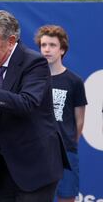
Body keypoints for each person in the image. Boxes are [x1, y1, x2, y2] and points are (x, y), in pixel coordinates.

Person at [0, 10, 70, 202]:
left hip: (35, 168)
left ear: (11, 41)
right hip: (4, 169)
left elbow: (26, 103)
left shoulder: (34, 63)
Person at [34, 25, 87, 202]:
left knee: (66, 197)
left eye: (52, 45)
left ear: (62, 49)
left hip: (66, 152)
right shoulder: (33, 79)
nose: (47, 49)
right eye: (43, 45)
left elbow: (79, 120)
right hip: (39, 151)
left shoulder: (75, 81)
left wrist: (68, 143)